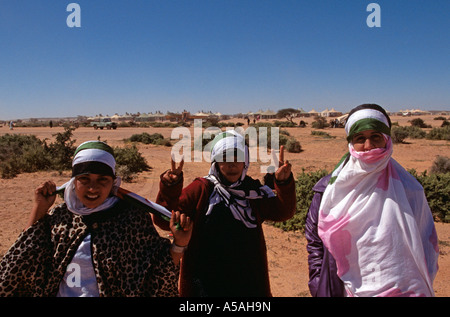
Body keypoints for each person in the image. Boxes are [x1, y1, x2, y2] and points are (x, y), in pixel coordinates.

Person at [0, 140, 192, 297]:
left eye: (102, 180)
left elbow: (156, 271)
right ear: (73, 182)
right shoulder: (61, 217)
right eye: (84, 179)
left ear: (113, 182)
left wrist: (179, 245)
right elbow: (23, 261)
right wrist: (39, 208)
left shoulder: (132, 218)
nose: (93, 188)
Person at [305, 104, 439, 297]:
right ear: (351, 142)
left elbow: (427, 248)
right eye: (360, 138)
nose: (368, 146)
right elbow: (315, 240)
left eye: (375, 137)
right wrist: (319, 282)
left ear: (387, 139)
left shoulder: (410, 189)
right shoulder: (330, 190)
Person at [156, 130, 296, 297]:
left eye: (238, 159)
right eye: (226, 158)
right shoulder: (202, 189)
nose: (232, 165)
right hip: (205, 283)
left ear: (245, 161)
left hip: (248, 281)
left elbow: (282, 212)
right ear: (215, 161)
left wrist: (283, 182)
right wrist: (170, 187)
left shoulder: (252, 190)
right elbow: (164, 219)